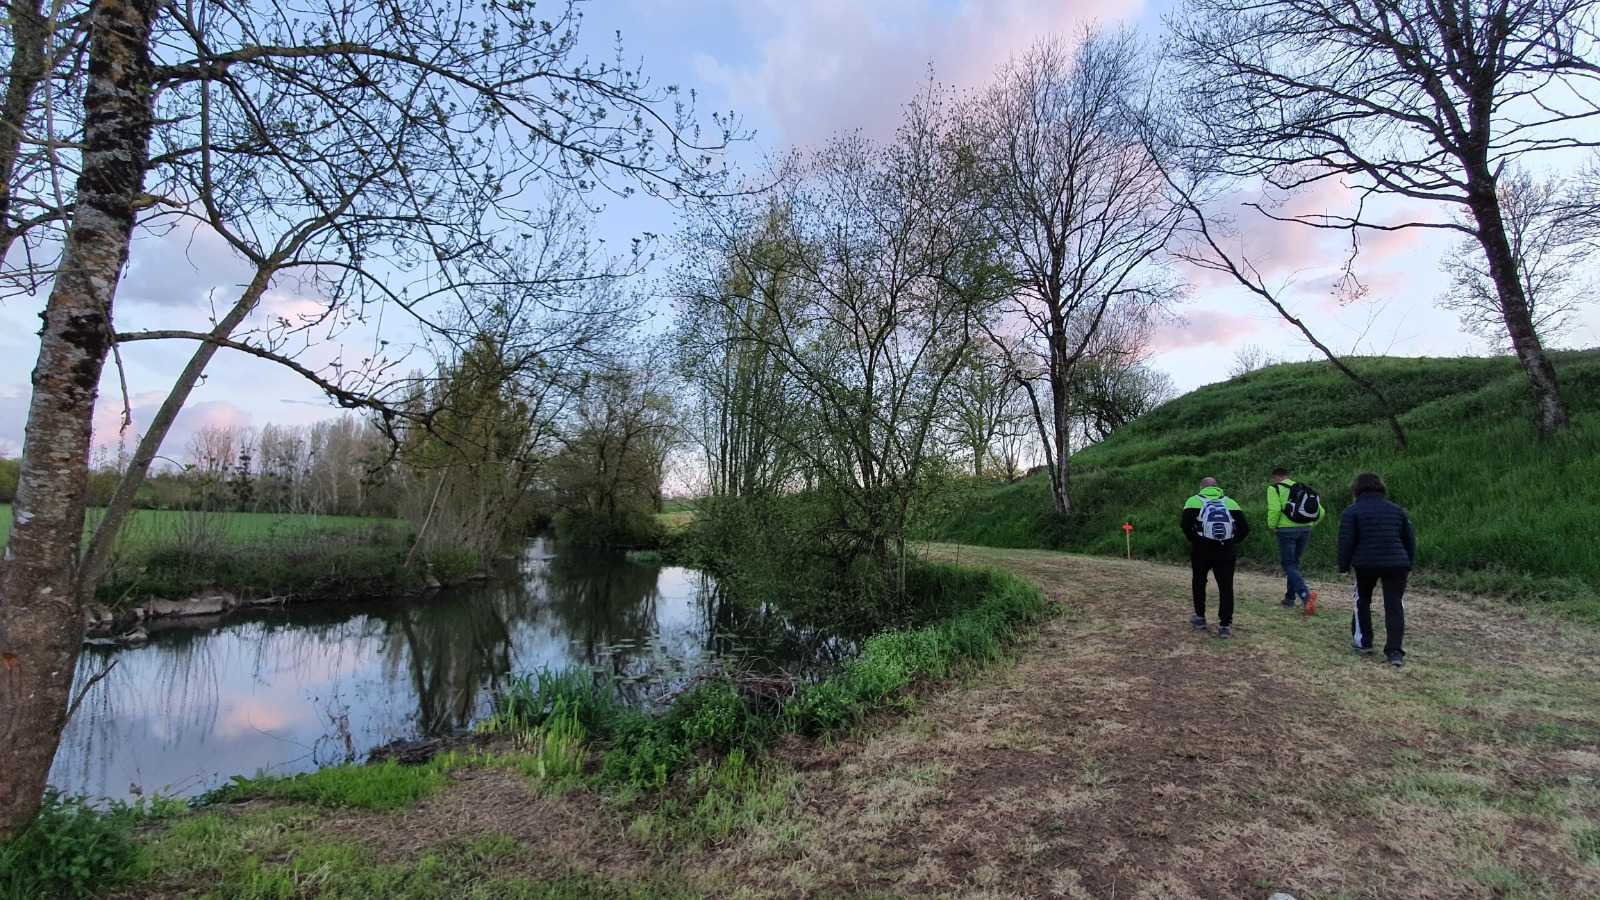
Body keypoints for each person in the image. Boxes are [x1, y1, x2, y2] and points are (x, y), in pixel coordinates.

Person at [1337, 472, 1417, 668]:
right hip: (1397, 564)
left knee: (1362, 600)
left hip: (1365, 563)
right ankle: (1395, 652)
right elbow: (1409, 539)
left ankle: (1364, 642)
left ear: (1356, 490)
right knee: (1394, 606)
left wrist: (1343, 566)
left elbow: (1346, 541)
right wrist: (1409, 562)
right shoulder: (1397, 510)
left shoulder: (1352, 511)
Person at [1180, 477, 1251, 638]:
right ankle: (1225, 625)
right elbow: (1245, 528)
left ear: (1201, 487)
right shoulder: (1230, 502)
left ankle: (1200, 618)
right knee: (1226, 587)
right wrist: (1230, 541)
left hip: (1201, 550)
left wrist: (1199, 541)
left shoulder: (1193, 501)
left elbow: (1185, 526)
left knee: (1199, 581)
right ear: (1217, 487)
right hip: (1225, 550)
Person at [1267, 466, 1325, 613]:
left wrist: (1272, 526)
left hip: (1286, 531)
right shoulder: (1303, 488)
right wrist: (1310, 525)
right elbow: (1321, 511)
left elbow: (1274, 509)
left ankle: (1306, 596)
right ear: (1288, 475)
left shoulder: (1275, 489)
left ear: (1275, 477)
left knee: (1288, 564)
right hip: (1305, 529)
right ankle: (1289, 599)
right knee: (1294, 564)